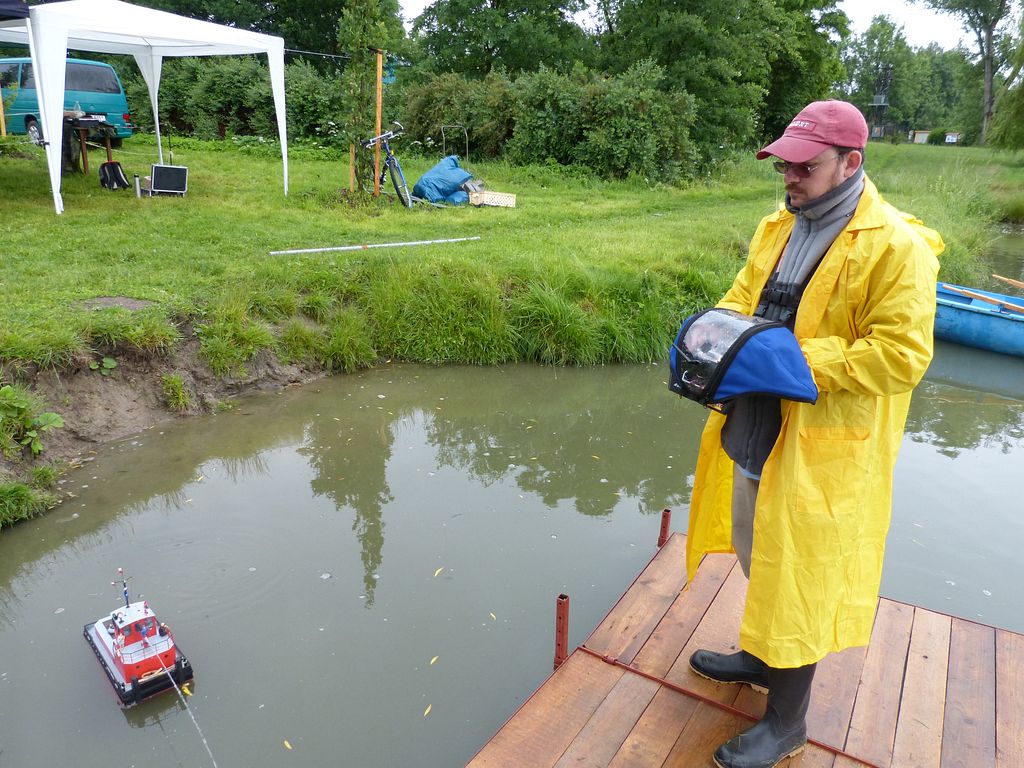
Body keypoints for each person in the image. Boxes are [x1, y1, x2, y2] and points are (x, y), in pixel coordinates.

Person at [684, 100, 943, 768]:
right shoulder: (778, 224)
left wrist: (795, 360)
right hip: (756, 425)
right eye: (784, 165)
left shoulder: (897, 248)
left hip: (824, 448)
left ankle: (787, 724)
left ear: (850, 163)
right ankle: (762, 657)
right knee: (760, 553)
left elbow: (902, 357)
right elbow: (741, 299)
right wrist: (715, 338)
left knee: (799, 575)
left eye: (804, 166)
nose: (789, 177)